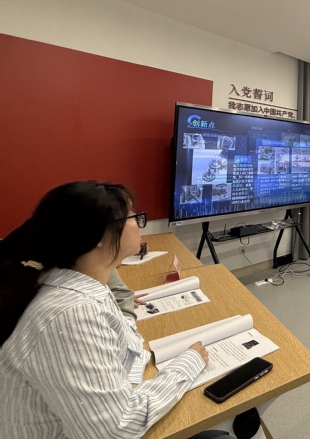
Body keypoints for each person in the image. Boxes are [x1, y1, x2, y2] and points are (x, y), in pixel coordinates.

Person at [0, 181, 209, 437]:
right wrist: (187, 364)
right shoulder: (70, 314)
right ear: (99, 235)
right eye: (133, 216)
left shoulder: (77, 282)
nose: (140, 223)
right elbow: (116, 429)